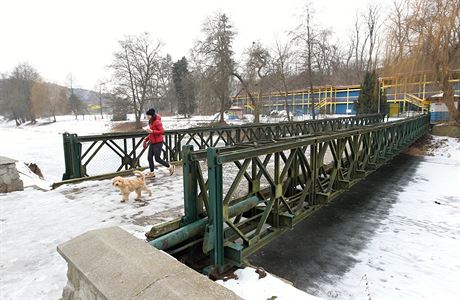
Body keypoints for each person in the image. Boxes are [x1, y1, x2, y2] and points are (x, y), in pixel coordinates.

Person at [143, 108, 174, 177]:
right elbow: (151, 132)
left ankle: (169, 166)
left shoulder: (157, 122)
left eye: (148, 115)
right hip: (152, 142)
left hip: (158, 143)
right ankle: (152, 173)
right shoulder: (151, 121)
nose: (147, 117)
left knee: (157, 158)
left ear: (152, 115)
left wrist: (152, 131)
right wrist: (147, 138)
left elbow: (162, 132)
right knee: (149, 157)